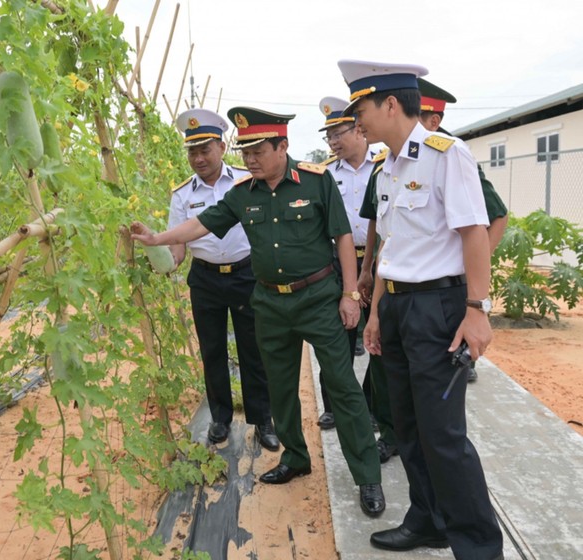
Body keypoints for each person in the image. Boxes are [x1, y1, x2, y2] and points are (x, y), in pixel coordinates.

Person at [132, 107, 385, 517]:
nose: (250, 160)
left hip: (319, 299)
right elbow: (200, 225)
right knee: (280, 387)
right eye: (245, 152)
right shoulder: (242, 193)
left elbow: (342, 236)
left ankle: (367, 475)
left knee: (342, 385)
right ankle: (295, 457)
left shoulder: (318, 182)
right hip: (269, 302)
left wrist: (350, 294)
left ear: (282, 146)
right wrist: (157, 237)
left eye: (258, 151)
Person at [339, 59, 504, 559]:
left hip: (439, 307)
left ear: (391, 104)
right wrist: (375, 314)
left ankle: (478, 547)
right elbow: (392, 249)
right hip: (398, 307)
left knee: (444, 437)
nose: (356, 123)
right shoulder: (387, 167)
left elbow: (474, 232)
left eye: (361, 110)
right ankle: (428, 519)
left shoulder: (445, 153)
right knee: (406, 426)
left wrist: (478, 308)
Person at [168, 108, 278, 451]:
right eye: (192, 151)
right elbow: (177, 247)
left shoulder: (248, 182)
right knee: (212, 349)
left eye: (205, 149)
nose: (198, 158)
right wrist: (159, 261)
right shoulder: (182, 195)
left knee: (253, 349)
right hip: (205, 280)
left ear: (222, 145)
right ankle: (220, 418)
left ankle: (262, 419)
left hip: (247, 275)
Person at [318, 96, 398, 464]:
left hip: (379, 259)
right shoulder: (324, 174)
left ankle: (370, 406)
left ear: (359, 130)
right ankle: (334, 405)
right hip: (338, 262)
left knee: (377, 338)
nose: (334, 141)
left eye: (339, 132)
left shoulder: (384, 166)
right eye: (329, 136)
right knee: (338, 335)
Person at [417, 78, 510, 383]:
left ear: (434, 120)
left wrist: (474, 265)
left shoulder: (452, 154)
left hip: (451, 280)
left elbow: (498, 215)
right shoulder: (407, 158)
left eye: (416, 116)